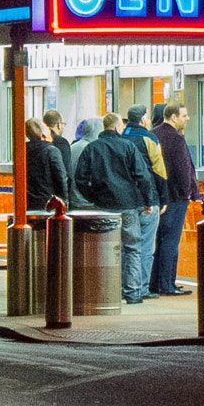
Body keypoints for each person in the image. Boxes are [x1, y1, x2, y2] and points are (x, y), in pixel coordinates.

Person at [74, 112, 157, 304]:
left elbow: (80, 179)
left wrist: (94, 197)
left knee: (104, 249)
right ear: (118, 127)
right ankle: (133, 293)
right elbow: (142, 176)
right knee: (132, 248)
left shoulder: (92, 148)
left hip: (103, 206)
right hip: (128, 205)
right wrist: (147, 201)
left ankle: (107, 290)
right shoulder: (127, 146)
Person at [123, 105, 168, 296]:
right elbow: (159, 169)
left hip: (125, 201)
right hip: (148, 199)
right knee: (146, 245)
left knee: (126, 247)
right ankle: (141, 288)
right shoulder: (150, 138)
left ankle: (126, 286)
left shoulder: (121, 137)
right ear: (143, 120)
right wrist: (163, 197)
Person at [152, 102, 196, 296]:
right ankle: (167, 283)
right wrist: (188, 191)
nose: (187, 119)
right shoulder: (176, 139)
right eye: (184, 115)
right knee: (171, 240)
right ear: (172, 117)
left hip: (160, 196)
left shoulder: (154, 134)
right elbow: (183, 169)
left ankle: (156, 282)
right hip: (176, 197)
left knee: (159, 240)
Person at [26, 118, 69, 208]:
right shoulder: (51, 151)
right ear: (43, 134)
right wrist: (64, 201)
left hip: (27, 202)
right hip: (47, 202)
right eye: (47, 129)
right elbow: (61, 177)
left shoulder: (22, 151)